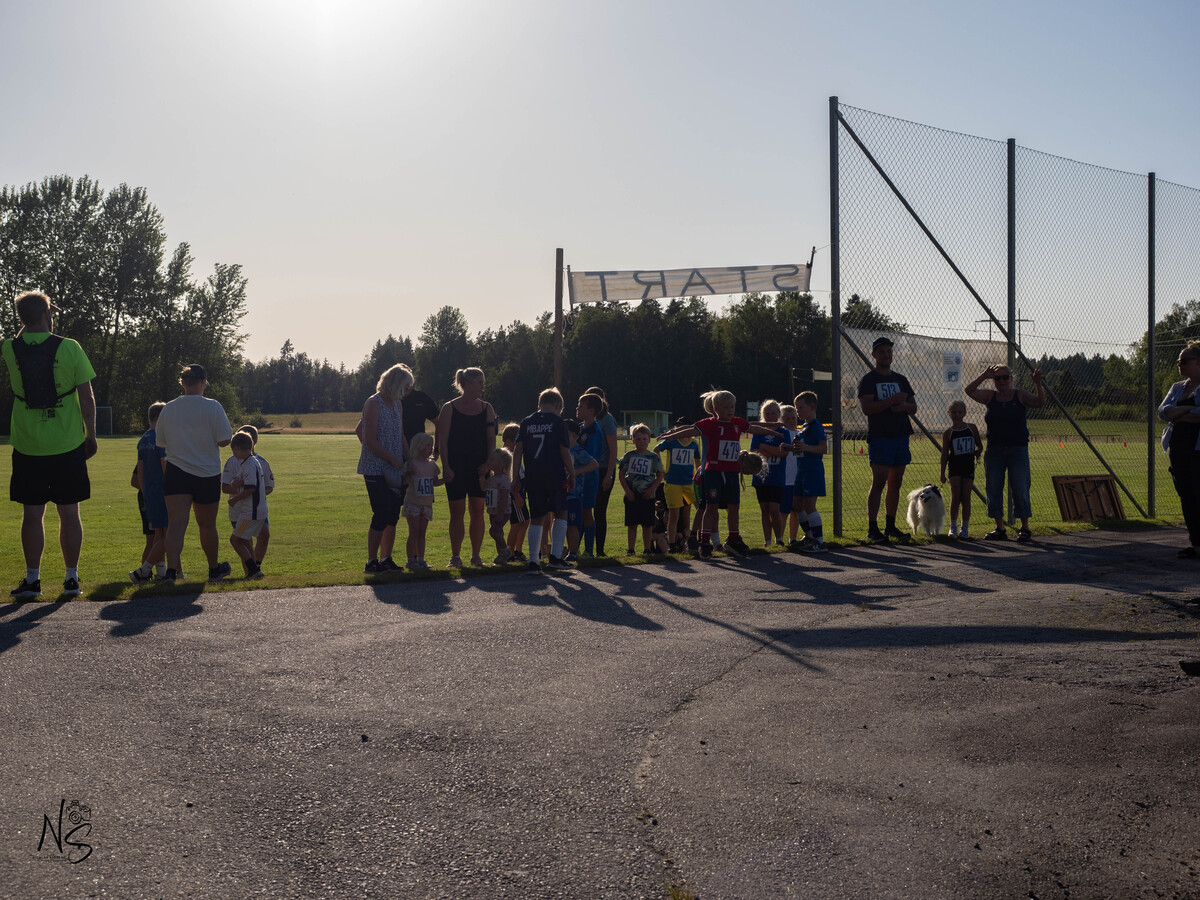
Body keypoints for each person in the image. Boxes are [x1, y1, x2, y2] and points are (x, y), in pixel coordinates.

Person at [3, 291, 98, 599]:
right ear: (48, 315)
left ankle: (33, 580)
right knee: (69, 512)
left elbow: (22, 337)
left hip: (27, 446)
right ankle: (71, 578)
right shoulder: (69, 347)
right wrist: (91, 434)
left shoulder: (10, 348)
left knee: (32, 514)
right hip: (67, 444)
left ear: (22, 319)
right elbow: (87, 398)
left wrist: (34, 314)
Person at [656, 390, 782, 559]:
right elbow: (690, 430)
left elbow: (753, 428)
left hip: (731, 472)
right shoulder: (710, 424)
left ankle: (733, 540)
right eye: (726, 407)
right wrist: (672, 436)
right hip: (713, 472)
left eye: (732, 407)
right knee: (711, 507)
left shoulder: (737, 423)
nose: (730, 410)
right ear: (716, 409)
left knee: (734, 507)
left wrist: (772, 432)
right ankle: (704, 542)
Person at [155, 364, 234, 584]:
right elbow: (224, 440)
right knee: (207, 525)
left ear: (182, 382)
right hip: (206, 473)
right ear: (203, 382)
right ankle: (213, 569)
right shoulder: (213, 406)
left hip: (176, 471)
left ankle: (171, 572)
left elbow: (161, 442)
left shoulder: (169, 408)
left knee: (176, 523)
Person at [965, 363, 1046, 541]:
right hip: (995, 449)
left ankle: (1024, 528)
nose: (1001, 381)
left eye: (1005, 377)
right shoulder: (990, 396)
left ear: (1011, 378)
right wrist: (983, 375)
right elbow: (969, 390)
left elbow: (1040, 402)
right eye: (997, 378)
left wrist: (1038, 384)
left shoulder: (1020, 395)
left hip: (1018, 449)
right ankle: (999, 528)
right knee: (993, 487)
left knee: (1020, 487)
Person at [858, 336, 918, 545]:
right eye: (882, 351)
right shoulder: (869, 380)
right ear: (874, 354)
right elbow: (867, 408)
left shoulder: (901, 379)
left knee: (896, 483)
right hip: (881, 436)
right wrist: (890, 401)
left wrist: (903, 406)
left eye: (889, 351)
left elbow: (913, 407)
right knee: (879, 482)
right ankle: (872, 528)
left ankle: (890, 526)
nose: (886, 355)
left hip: (900, 434)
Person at [436, 367, 498, 568]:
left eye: (482, 382)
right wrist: (446, 467)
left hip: (480, 467)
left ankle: (476, 556)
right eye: (479, 382)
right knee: (457, 512)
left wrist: (488, 465)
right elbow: (443, 441)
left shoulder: (487, 408)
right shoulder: (449, 408)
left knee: (478, 511)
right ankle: (455, 556)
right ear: (467, 384)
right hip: (455, 467)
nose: (482, 386)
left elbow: (491, 440)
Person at [358, 363, 412, 573]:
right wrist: (391, 458)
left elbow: (400, 435)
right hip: (375, 468)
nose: (408, 391)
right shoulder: (374, 403)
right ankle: (371, 561)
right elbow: (369, 439)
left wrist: (409, 459)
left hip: (395, 468)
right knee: (381, 512)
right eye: (406, 387)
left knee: (392, 514)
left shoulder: (398, 405)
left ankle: (386, 559)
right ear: (395, 384)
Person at [513, 388, 575, 571]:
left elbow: (517, 450)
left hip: (533, 476)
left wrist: (515, 477)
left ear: (539, 404)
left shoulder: (526, 422)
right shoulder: (558, 423)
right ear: (557, 405)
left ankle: (534, 561)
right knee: (560, 512)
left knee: (536, 517)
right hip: (555, 474)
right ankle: (555, 557)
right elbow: (564, 451)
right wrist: (572, 473)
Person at [1160, 342, 1200, 557]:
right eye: (1178, 361)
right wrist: (1189, 408)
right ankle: (1196, 544)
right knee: (1186, 494)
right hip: (1178, 448)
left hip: (1197, 448)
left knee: (1198, 493)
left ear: (1198, 362)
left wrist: (1178, 413)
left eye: (1183, 361)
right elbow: (1163, 412)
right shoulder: (1178, 388)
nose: (1179, 365)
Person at [222, 424, 275, 574]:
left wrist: (234, 499)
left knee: (235, 540)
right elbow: (236, 483)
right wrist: (235, 484)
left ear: (238, 448)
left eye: (233, 450)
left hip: (250, 511)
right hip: (256, 510)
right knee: (244, 540)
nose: (233, 453)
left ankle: (253, 569)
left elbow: (251, 488)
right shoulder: (252, 462)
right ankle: (254, 570)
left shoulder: (250, 465)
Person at [130, 402, 168, 583]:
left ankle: (161, 572)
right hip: (163, 492)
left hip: (149, 493)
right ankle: (143, 571)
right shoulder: (161, 438)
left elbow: (140, 469)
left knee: (158, 535)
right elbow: (164, 464)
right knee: (169, 534)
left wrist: (145, 492)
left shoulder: (143, 440)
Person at [654, 417, 701, 552]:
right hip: (673, 483)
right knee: (674, 515)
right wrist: (661, 470)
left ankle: (700, 539)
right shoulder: (671, 441)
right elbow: (656, 449)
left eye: (681, 427)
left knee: (701, 509)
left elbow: (697, 461)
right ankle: (672, 544)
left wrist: (699, 476)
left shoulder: (694, 444)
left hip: (689, 483)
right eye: (677, 427)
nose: (678, 429)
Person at [581, 387, 619, 555]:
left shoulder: (607, 420)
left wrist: (609, 475)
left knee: (599, 511)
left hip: (603, 469)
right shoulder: (586, 423)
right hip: (588, 470)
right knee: (585, 510)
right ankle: (580, 549)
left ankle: (600, 551)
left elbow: (613, 450)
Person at [791, 391, 829, 553]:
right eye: (796, 408)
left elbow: (823, 448)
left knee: (809, 505)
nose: (797, 411)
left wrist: (806, 447)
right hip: (802, 470)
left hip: (812, 470)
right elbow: (802, 448)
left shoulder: (816, 425)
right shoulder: (805, 426)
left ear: (812, 407)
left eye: (800, 407)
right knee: (797, 504)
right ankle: (809, 535)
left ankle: (819, 541)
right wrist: (790, 448)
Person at [619, 423, 665, 554]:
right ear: (633, 440)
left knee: (647, 524)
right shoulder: (629, 456)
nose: (641, 441)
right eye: (638, 439)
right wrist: (628, 491)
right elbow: (621, 474)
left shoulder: (654, 457)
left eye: (644, 439)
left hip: (648, 496)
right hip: (632, 495)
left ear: (649, 440)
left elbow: (660, 475)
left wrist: (651, 490)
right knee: (632, 524)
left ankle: (647, 548)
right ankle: (631, 549)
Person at [939, 400, 983, 539]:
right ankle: (953, 527)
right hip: (954, 467)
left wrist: (977, 452)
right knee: (955, 497)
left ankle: (965, 528)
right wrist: (942, 472)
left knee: (966, 496)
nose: (957, 415)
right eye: (954, 412)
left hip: (968, 466)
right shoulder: (948, 433)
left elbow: (980, 445)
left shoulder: (972, 428)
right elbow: (944, 454)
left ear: (964, 413)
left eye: (959, 412)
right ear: (949, 413)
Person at [749, 399, 790, 546]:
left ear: (778, 414)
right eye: (767, 414)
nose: (770, 416)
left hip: (777, 477)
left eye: (773, 413)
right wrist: (774, 450)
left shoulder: (783, 432)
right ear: (763, 415)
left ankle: (779, 539)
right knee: (764, 510)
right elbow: (754, 451)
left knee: (774, 509)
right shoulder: (758, 431)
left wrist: (764, 447)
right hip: (761, 477)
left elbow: (784, 453)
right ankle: (767, 541)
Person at [575, 393, 610, 557]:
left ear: (591, 410)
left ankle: (589, 551)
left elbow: (591, 457)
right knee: (577, 512)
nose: (577, 408)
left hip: (588, 478)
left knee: (586, 513)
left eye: (581, 406)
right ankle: (575, 548)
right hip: (578, 477)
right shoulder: (581, 428)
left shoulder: (594, 431)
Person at [403, 432, 444, 571]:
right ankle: (410, 560)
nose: (430, 448)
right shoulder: (411, 464)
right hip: (413, 503)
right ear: (418, 446)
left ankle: (421, 559)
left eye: (431, 446)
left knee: (422, 533)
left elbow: (435, 482)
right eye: (427, 446)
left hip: (426, 504)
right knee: (413, 531)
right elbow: (404, 480)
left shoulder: (432, 465)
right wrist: (408, 473)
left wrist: (445, 479)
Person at [563, 419, 598, 562]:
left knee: (573, 524)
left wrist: (576, 472)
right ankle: (565, 550)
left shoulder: (578, 451)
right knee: (562, 523)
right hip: (560, 494)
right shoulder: (560, 450)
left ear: (576, 435)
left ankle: (573, 552)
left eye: (566, 434)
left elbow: (594, 464)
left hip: (574, 495)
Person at [481, 446, 515, 564]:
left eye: (492, 460)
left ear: (501, 464)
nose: (488, 461)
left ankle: (505, 551)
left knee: (494, 531)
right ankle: (501, 556)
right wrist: (482, 476)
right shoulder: (492, 478)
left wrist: (501, 513)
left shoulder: (503, 479)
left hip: (502, 511)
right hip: (492, 510)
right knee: (498, 533)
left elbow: (504, 497)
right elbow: (483, 488)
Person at [501, 423, 529, 562]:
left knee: (524, 521)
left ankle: (518, 550)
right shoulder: (507, 457)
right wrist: (517, 495)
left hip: (520, 491)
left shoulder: (515, 455)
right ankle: (510, 552)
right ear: (509, 441)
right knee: (517, 523)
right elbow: (509, 479)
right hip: (514, 493)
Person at [778, 405, 801, 545]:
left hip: (797, 479)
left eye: (793, 418)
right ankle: (779, 538)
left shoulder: (800, 434)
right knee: (783, 512)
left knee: (796, 511)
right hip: (785, 479)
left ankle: (793, 538)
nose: (791, 421)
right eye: (787, 419)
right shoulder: (782, 434)